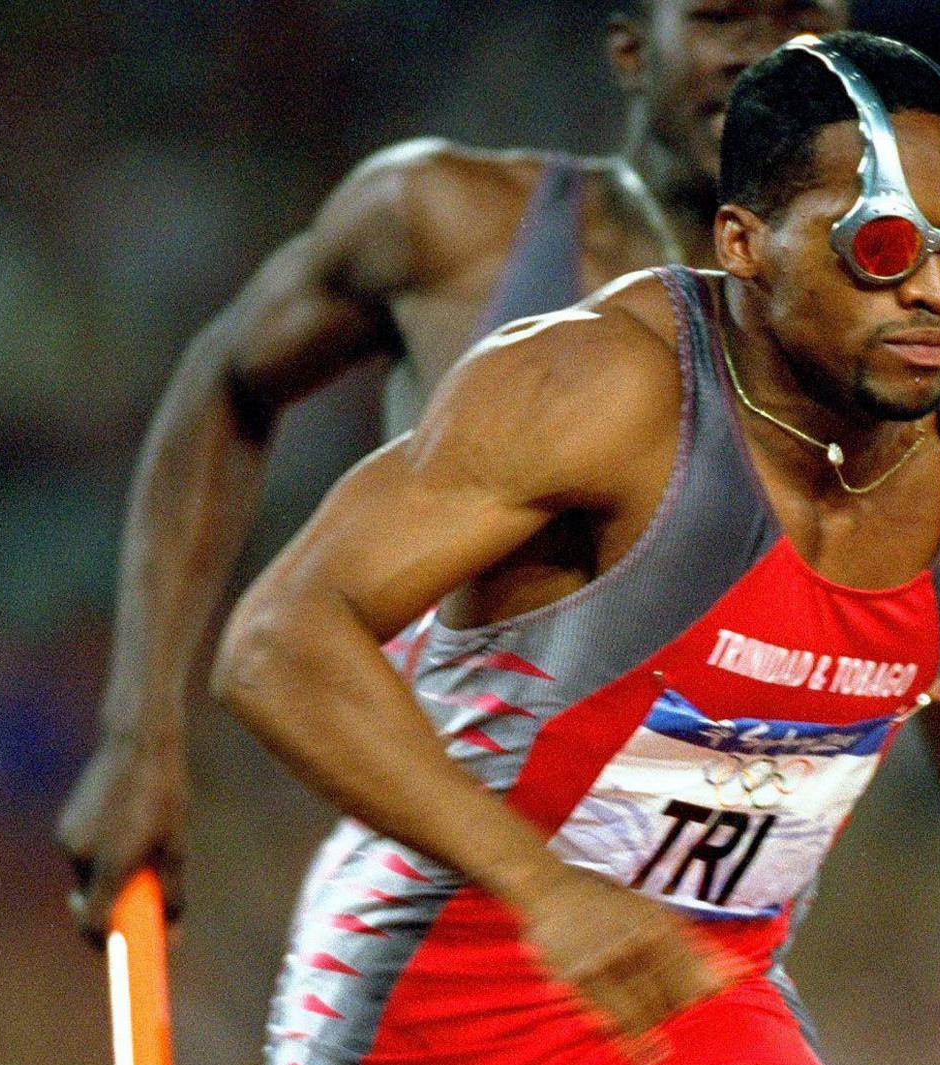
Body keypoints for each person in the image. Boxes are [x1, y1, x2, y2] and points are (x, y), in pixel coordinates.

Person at [211, 31, 940, 1065]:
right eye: (884, 248)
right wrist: (547, 888)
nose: (935, 292)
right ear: (744, 242)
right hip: (443, 987)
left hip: (699, 993)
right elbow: (275, 643)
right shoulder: (600, 393)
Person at [56, 0, 854, 938]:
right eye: (724, 17)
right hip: (439, 914)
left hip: (684, 949)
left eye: (805, 15)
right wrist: (140, 736)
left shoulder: (886, 338)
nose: (770, 54)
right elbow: (226, 384)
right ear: (632, 50)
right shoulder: (451, 228)